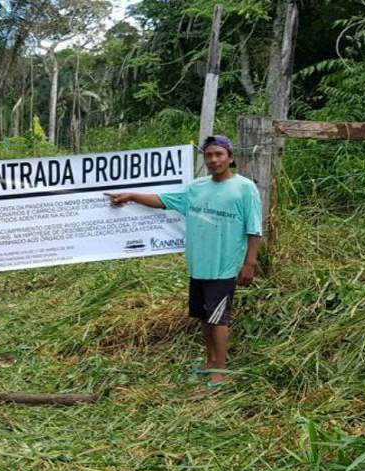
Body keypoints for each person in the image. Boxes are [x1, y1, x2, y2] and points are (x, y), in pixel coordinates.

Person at [107, 135, 262, 387]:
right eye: (209, 155)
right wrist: (132, 196)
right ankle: (210, 361)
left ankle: (220, 370)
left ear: (230, 158)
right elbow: (163, 201)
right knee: (204, 316)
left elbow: (254, 228)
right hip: (199, 263)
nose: (213, 160)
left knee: (219, 318)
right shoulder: (196, 188)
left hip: (224, 266)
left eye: (219, 155)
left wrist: (249, 263)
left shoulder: (245, 188)